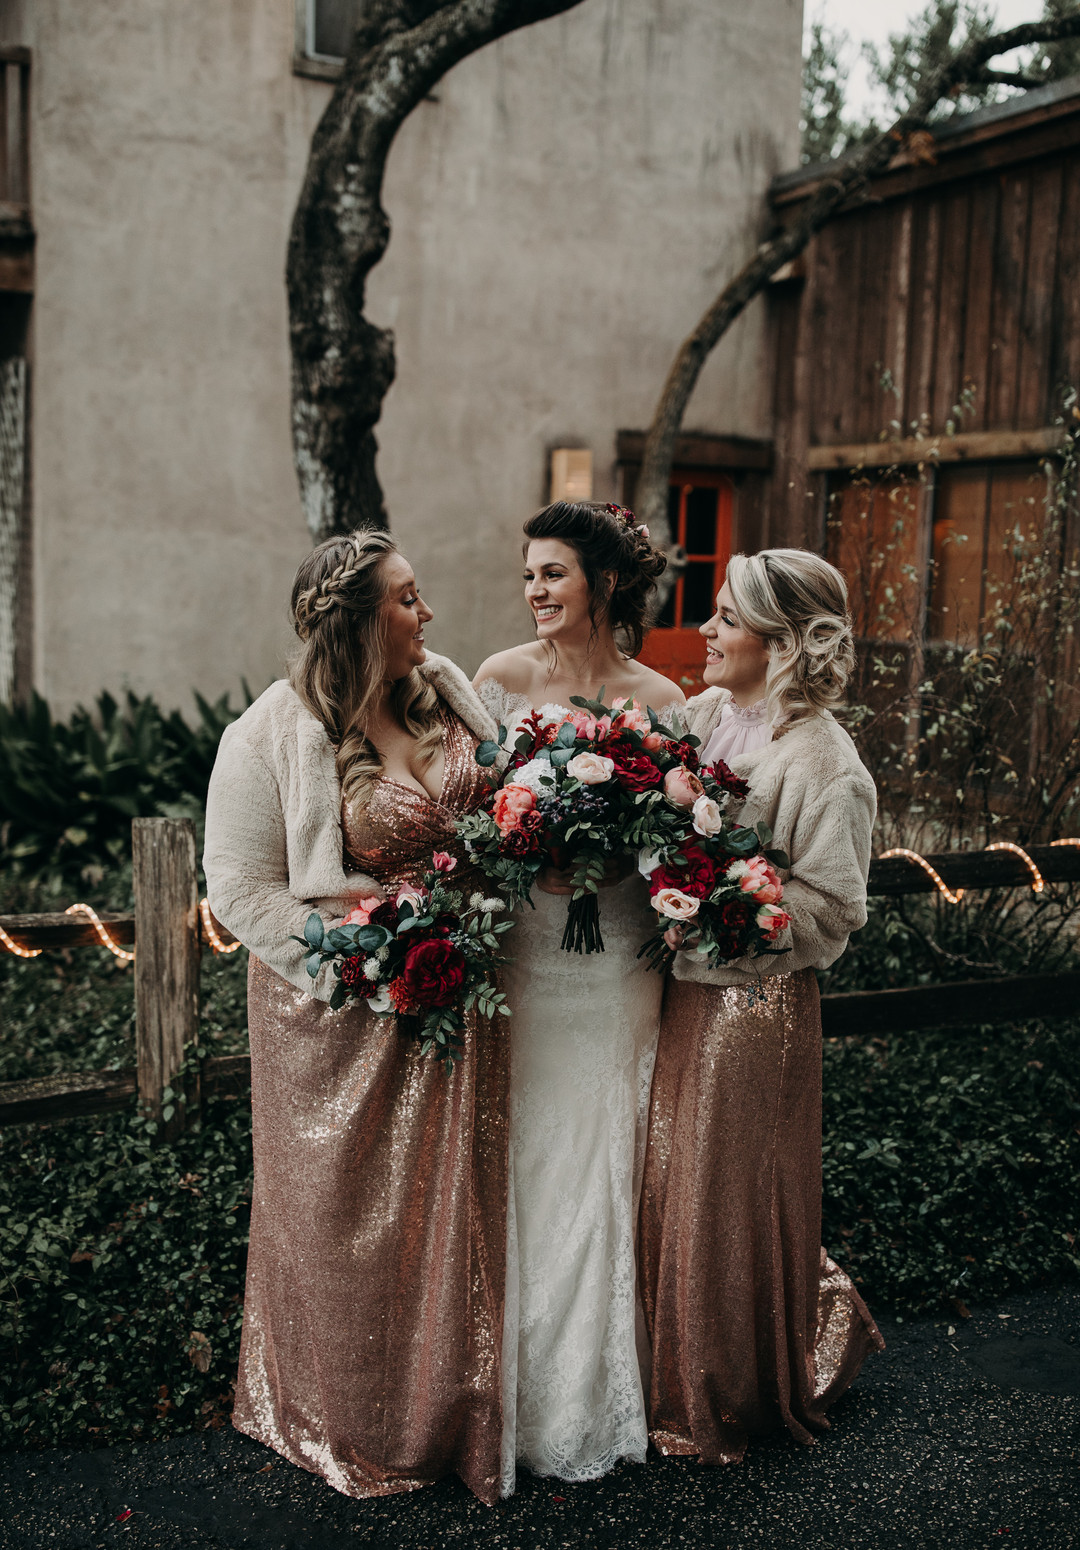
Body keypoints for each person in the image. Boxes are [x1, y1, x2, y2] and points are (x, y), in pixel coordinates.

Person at [203, 531, 511, 1504]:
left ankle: (460, 1403)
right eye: (410, 599)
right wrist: (364, 961)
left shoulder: (450, 686)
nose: (431, 615)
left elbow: (502, 805)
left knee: (457, 1209)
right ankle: (354, 1414)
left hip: (463, 1001)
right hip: (335, 1022)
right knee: (348, 1223)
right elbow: (241, 891)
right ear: (359, 619)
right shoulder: (265, 733)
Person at [638, 547, 885, 1466]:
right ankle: (666, 1367)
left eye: (727, 619)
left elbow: (833, 909)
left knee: (725, 1190)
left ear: (780, 644)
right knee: (672, 1172)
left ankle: (725, 1386)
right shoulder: (703, 717)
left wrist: (731, 900)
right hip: (680, 998)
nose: (705, 631)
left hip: (754, 1010)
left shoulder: (827, 765)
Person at [473, 499, 684, 1491]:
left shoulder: (660, 694)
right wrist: (528, 842)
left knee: (613, 1140)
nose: (535, 592)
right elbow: (466, 817)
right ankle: (511, 1393)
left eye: (552, 573)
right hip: (534, 943)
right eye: (527, 576)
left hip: (623, 947)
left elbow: (690, 831)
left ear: (601, 582)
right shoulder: (498, 681)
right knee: (536, 1146)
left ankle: (611, 1385)